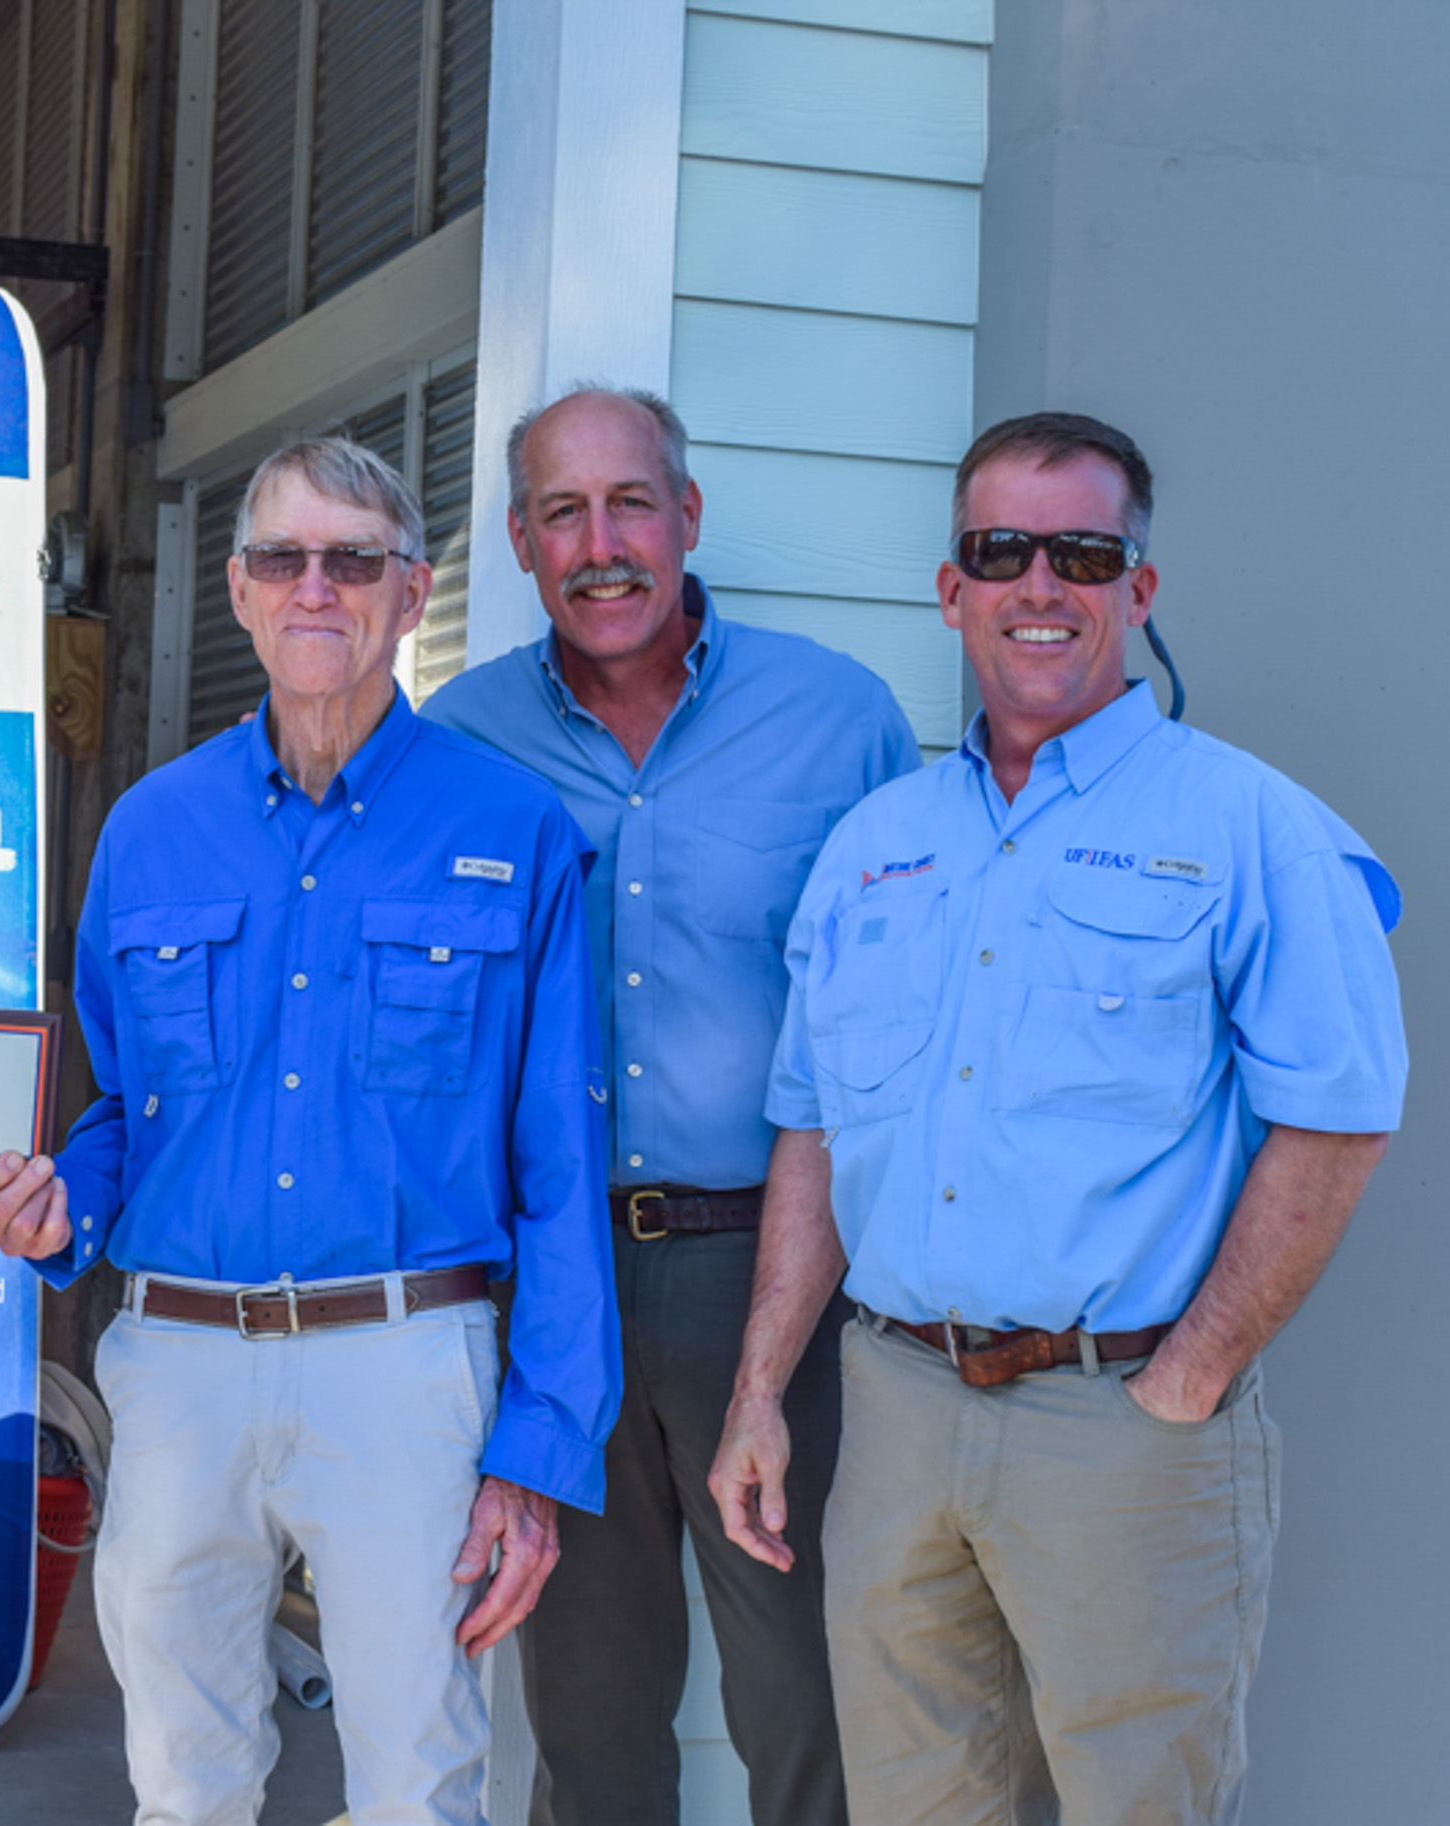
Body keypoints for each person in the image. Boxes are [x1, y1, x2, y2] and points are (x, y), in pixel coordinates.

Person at [0, 436, 618, 1825]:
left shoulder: (512, 827)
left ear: (411, 593)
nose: (316, 587)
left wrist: (538, 1446)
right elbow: (123, 1111)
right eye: (282, 558)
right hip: (180, 1366)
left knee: (417, 1786)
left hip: (407, 1367)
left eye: (353, 559)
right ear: (236, 589)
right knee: (183, 1781)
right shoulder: (151, 829)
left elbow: (559, 1164)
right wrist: (62, 1206)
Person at [708, 412, 1407, 1825]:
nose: (1040, 583)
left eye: (1081, 553)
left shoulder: (1251, 828)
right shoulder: (876, 845)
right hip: (897, 1414)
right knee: (911, 1806)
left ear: (1136, 588)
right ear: (950, 587)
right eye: (1000, 550)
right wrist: (759, 1391)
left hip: (1122, 1425)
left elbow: (1336, 1122)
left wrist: (1187, 1380)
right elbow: (814, 1129)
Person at [424, 386, 915, 1826]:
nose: (602, 545)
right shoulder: (455, 743)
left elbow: (900, 1020)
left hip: (771, 1274)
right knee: (588, 1713)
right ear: (520, 540)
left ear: (687, 515)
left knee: (806, 1699)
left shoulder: (838, 721)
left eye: (630, 503)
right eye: (563, 513)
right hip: (549, 1280)